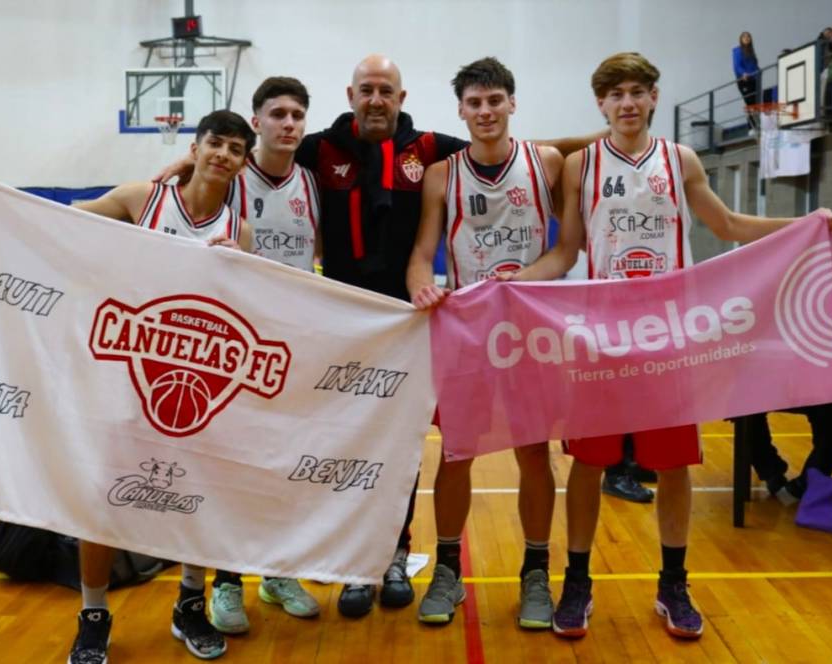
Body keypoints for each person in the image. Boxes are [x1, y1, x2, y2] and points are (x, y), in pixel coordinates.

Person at [160, 54, 603, 619]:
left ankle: (392, 555)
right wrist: (187, 160)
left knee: (397, 447)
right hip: (330, 320)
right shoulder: (320, 149)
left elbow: (514, 142)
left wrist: (613, 132)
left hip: (408, 322)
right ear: (350, 95)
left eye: (385, 90)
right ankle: (287, 568)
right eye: (366, 89)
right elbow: (242, 152)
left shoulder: (432, 149)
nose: (376, 99)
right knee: (312, 445)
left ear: (401, 96)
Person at [508, 52, 832, 641]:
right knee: (588, 462)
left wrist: (803, 224)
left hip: (669, 334)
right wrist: (509, 283)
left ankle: (673, 584)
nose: (628, 103)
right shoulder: (580, 165)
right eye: (616, 95)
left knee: (673, 465)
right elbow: (565, 254)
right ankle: (578, 581)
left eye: (638, 91)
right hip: (603, 335)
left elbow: (729, 226)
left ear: (654, 97)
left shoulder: (679, 159)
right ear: (602, 104)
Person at [0, 109, 255, 664]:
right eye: (216, 144)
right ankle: (94, 615)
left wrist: (241, 268)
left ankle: (189, 604)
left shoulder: (240, 231)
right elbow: (57, 222)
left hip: (192, 386)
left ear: (242, 163)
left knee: (193, 498)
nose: (224, 155)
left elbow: (245, 312)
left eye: (235, 149)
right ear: (196, 148)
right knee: (101, 501)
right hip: (123, 375)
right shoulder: (142, 199)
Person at [406, 57, 563, 628]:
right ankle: (448, 571)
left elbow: (567, 249)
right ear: (461, 112)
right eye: (474, 103)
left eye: (495, 100)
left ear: (512, 104)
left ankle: (537, 574)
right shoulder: (442, 175)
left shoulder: (545, 162)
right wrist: (421, 283)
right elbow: (423, 252)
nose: (485, 111)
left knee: (533, 453)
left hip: (531, 330)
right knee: (456, 453)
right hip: (469, 330)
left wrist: (531, 278)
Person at [206, 77, 323, 634]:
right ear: (256, 122)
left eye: (298, 114)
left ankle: (278, 572)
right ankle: (226, 581)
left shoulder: (312, 182)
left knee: (288, 466)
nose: (289, 123)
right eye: (277, 113)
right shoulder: (230, 177)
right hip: (238, 347)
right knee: (233, 469)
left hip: (293, 342)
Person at [746, 402, 832, 504]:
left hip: (821, 395)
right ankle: (772, 473)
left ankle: (800, 487)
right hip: (774, 390)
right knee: (745, 405)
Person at [732, 32, 761, 130]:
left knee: (754, 103)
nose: (747, 38)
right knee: (749, 102)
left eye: (748, 36)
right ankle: (751, 127)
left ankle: (754, 125)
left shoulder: (751, 53)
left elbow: (754, 66)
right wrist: (743, 73)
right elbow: (737, 65)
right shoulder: (738, 50)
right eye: (744, 36)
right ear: (741, 39)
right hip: (743, 80)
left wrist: (758, 71)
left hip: (753, 80)